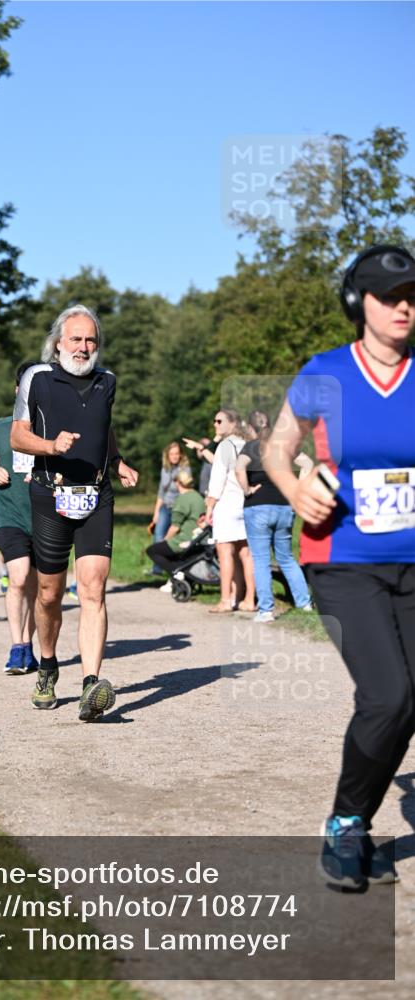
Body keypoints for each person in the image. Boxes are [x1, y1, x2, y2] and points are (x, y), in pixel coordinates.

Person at [263, 244, 415, 889]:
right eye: (390, 295)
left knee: (407, 702)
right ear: (360, 304)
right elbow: (276, 447)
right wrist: (294, 488)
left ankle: (358, 822)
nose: (405, 305)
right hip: (342, 559)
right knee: (389, 695)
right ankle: (347, 825)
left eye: (413, 295)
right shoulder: (326, 374)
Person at [11, 304, 139, 721]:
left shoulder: (108, 381)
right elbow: (17, 436)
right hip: (51, 496)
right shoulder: (38, 379)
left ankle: (90, 684)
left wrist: (117, 461)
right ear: (58, 343)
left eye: (91, 340)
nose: (84, 347)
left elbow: (106, 426)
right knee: (48, 594)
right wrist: (51, 448)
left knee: (93, 590)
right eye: (76, 339)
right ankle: (48, 666)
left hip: (96, 496)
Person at [0, 361, 40, 675]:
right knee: (19, 577)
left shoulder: (49, 430)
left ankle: (29, 646)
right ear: (17, 391)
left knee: (40, 588)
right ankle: (17, 647)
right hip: (8, 515)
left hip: (44, 518)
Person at [235, 410, 313, 622]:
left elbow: (238, 468)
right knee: (286, 558)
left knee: (260, 560)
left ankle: (266, 611)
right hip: (284, 507)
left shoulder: (250, 447)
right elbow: (307, 463)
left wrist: (247, 490)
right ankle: (304, 604)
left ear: (250, 428)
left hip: (258, 507)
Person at [204, 410, 255, 613]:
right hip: (247, 502)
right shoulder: (249, 444)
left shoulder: (225, 446)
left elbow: (218, 480)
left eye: (219, 421)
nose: (215, 424)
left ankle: (226, 600)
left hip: (226, 503)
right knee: (246, 553)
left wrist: (209, 507)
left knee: (225, 553)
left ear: (232, 423)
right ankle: (248, 598)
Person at [145, 470, 207, 590]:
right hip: (200, 538)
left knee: (153, 550)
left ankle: (176, 573)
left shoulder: (182, 499)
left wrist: (165, 540)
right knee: (168, 551)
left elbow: (175, 527)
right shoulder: (198, 496)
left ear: (178, 483)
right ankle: (180, 575)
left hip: (186, 538)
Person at [146, 441, 191, 575]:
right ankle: (157, 568)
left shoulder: (185, 469)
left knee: (174, 537)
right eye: (172, 454)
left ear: (181, 454)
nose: (174, 456)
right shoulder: (165, 468)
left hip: (178, 508)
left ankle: (174, 566)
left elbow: (187, 489)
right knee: (159, 534)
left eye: (177, 453)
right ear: (168, 455)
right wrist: (156, 512)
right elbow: (161, 492)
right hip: (165, 506)